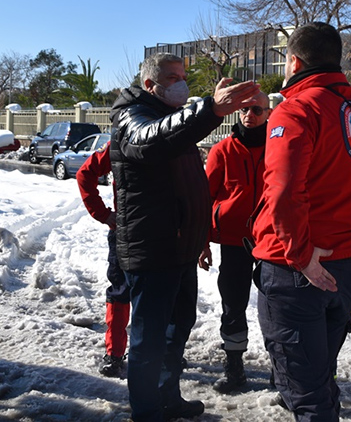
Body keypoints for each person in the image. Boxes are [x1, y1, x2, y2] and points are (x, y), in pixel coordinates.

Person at [110, 52, 259, 422]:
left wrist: (199, 239)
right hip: (152, 247)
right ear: (150, 85)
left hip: (180, 246)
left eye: (183, 75)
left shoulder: (168, 117)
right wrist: (210, 108)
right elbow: (151, 140)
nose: (181, 83)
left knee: (177, 328)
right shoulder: (132, 115)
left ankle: (167, 396)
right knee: (150, 336)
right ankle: (145, 410)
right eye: (173, 77)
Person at [252, 22, 351, 421]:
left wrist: (300, 254)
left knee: (305, 392)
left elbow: (283, 191)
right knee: (321, 379)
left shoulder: (296, 110)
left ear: (294, 61)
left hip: (298, 271)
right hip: (345, 264)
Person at [198, 92, 272, 394]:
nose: (249, 115)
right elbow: (205, 198)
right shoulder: (222, 150)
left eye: (256, 110)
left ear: (268, 113)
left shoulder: (280, 148)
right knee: (233, 305)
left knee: (277, 309)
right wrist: (203, 242)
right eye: (244, 110)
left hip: (273, 240)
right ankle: (234, 367)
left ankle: (280, 372)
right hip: (233, 240)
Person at [75, 140, 130, 378]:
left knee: (162, 296)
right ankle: (115, 353)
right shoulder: (120, 141)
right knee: (120, 293)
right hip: (125, 233)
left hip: (163, 233)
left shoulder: (171, 134)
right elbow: (85, 174)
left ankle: (165, 351)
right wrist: (105, 215)